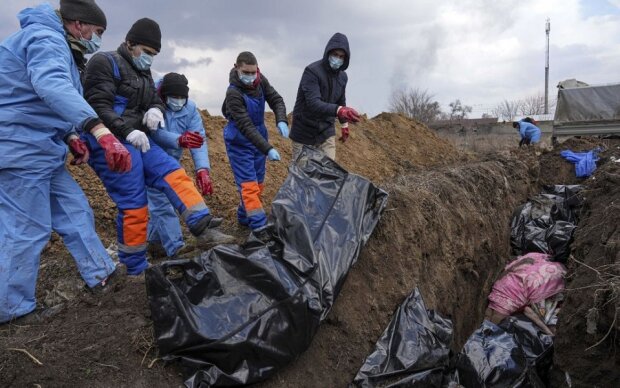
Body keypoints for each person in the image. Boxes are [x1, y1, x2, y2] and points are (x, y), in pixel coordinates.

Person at [0, 0, 130, 323]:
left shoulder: (62, 48)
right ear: (79, 25)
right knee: (26, 227)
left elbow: (42, 101)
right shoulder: (46, 39)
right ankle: (12, 310)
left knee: (75, 209)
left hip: (41, 149)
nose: (97, 39)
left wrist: (71, 136)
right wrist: (96, 129)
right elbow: (50, 86)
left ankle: (101, 275)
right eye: (97, 32)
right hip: (18, 149)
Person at [83, 18, 234, 275]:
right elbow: (97, 105)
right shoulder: (104, 62)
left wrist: (155, 108)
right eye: (148, 52)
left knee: (173, 173)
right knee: (135, 203)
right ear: (130, 43)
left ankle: (203, 227)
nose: (150, 58)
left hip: (139, 139)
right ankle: (135, 268)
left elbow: (155, 100)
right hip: (109, 140)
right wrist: (126, 131)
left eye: (154, 55)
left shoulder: (144, 74)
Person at [222, 51, 288, 240]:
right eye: (246, 72)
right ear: (237, 68)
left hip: (259, 135)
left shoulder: (260, 81)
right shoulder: (233, 93)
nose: (251, 77)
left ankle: (243, 218)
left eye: (254, 72)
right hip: (239, 141)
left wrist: (281, 119)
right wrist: (267, 148)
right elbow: (245, 126)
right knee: (249, 187)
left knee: (258, 185)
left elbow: (276, 99)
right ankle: (260, 229)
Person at [147, 73, 212, 257]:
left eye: (182, 98)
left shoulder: (189, 108)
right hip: (152, 159)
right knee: (161, 204)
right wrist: (179, 140)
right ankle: (176, 249)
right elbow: (153, 133)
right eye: (174, 98)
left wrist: (202, 169)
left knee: (163, 201)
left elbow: (198, 139)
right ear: (163, 95)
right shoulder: (153, 105)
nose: (178, 102)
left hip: (172, 161)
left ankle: (155, 243)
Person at [289, 32, 361, 161]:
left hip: (326, 131)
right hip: (304, 130)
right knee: (302, 176)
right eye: (335, 55)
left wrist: (344, 124)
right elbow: (313, 103)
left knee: (328, 173)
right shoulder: (312, 72)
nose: (337, 59)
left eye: (341, 56)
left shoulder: (342, 77)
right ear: (328, 53)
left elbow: (340, 100)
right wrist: (338, 110)